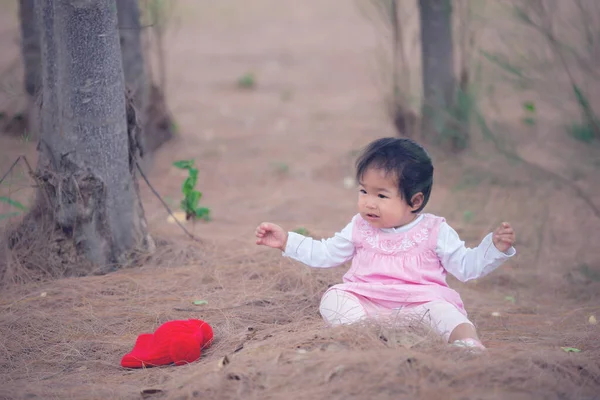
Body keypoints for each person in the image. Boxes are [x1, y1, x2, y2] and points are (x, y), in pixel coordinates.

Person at [255, 137, 516, 350]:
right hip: (369, 303)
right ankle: (371, 337)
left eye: (381, 195)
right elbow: (326, 253)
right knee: (334, 298)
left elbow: (466, 267)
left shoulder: (434, 230)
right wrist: (287, 241)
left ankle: (466, 345)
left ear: (414, 201)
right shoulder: (360, 226)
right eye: (363, 191)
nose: (369, 202)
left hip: (421, 304)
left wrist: (493, 249)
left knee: (449, 314)